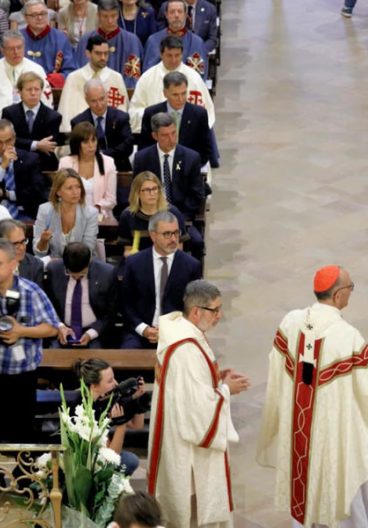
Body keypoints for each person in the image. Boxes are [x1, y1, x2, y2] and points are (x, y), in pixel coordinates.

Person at [257, 265, 368, 527]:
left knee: (304, 492)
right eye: (350, 288)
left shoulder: (290, 322)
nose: (351, 292)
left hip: (299, 435)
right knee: (341, 498)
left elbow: (278, 369)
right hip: (334, 440)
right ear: (337, 295)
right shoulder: (347, 337)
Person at [149, 280, 250, 527]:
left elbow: (187, 386)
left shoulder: (182, 333)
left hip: (177, 430)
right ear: (196, 311)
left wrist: (217, 378)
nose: (219, 315)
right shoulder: (185, 348)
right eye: (215, 310)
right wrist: (226, 390)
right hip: (187, 446)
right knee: (191, 509)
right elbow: (197, 409)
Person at [0, 237, 59, 443]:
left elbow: (51, 328)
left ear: (14, 263)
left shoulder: (32, 292)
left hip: (22, 378)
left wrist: (21, 331)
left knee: (21, 437)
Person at [120, 210, 201, 348]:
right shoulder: (134, 263)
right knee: (128, 352)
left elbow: (194, 307)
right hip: (140, 332)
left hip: (177, 332)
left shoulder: (191, 266)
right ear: (153, 235)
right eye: (167, 234)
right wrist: (143, 329)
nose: (173, 239)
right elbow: (125, 303)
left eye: (176, 233)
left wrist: (171, 331)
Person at [128, 35, 215, 134]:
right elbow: (134, 111)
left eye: (177, 55)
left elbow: (206, 112)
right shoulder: (147, 78)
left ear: (182, 54)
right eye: (169, 55)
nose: (173, 60)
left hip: (188, 135)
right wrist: (156, 117)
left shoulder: (194, 78)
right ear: (161, 54)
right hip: (156, 135)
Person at [76, 358, 145, 475]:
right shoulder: (84, 411)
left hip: (100, 458)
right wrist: (121, 424)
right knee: (129, 461)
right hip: (83, 466)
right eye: (110, 381)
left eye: (114, 378)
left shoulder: (102, 401)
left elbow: (136, 425)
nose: (116, 384)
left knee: (130, 459)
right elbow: (111, 457)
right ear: (94, 386)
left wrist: (137, 400)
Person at [132, 112, 205, 221]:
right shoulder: (142, 158)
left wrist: (178, 216)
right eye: (165, 135)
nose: (171, 139)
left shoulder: (191, 158)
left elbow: (197, 195)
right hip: (149, 215)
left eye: (173, 133)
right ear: (155, 136)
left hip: (182, 216)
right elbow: (136, 191)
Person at [47, 242, 117, 347]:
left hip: (94, 332)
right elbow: (48, 305)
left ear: (89, 261)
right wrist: (59, 326)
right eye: (70, 273)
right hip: (62, 329)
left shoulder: (107, 273)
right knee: (53, 353)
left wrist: (91, 333)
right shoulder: (54, 270)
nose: (76, 277)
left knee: (95, 354)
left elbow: (111, 312)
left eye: (81, 274)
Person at [0, 118, 44, 220]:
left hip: (25, 214)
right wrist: (2, 166)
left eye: (8, 141)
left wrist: (8, 194)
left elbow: (37, 191)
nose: (4, 147)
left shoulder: (30, 159)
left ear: (14, 138)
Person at [140, 70, 214, 167]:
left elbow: (205, 150)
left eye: (183, 93)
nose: (181, 99)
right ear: (165, 93)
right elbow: (144, 147)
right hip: (158, 167)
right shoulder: (151, 113)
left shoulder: (199, 114)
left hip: (188, 167)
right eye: (175, 95)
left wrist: (192, 168)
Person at [58, 35, 129, 134]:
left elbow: (123, 111)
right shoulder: (74, 78)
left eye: (106, 53)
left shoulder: (116, 78)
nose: (103, 57)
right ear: (88, 53)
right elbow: (66, 113)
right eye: (98, 53)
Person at [0, 30, 51, 119]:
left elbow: (46, 104)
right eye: (11, 48)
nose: (16, 52)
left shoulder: (37, 70)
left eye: (19, 47)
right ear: (2, 50)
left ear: (24, 47)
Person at [1, 71, 63, 172]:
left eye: (37, 89)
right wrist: (36, 145)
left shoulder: (53, 117)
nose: (33, 93)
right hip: (15, 162)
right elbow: (8, 140)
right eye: (29, 89)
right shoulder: (9, 113)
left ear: (41, 91)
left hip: (43, 165)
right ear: (20, 92)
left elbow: (48, 146)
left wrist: (24, 143)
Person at [74, 0, 143, 90]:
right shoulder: (85, 40)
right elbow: (80, 72)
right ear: (98, 15)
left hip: (120, 94)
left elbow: (133, 78)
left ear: (118, 15)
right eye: (105, 16)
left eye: (113, 16)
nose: (110, 21)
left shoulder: (132, 41)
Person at [70, 78, 134, 172]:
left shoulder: (121, 117)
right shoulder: (78, 122)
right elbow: (76, 150)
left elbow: (127, 146)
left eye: (102, 99)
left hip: (119, 167)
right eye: (94, 101)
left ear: (107, 95)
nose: (99, 105)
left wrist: (102, 155)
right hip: (88, 168)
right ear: (86, 100)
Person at [118, 171, 188, 256]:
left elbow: (179, 248)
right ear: (137, 193)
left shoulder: (172, 213)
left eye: (155, 189)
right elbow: (127, 250)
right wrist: (133, 256)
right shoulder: (128, 215)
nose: (152, 193)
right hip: (140, 260)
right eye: (147, 190)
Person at [33, 168, 99, 258]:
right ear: (58, 192)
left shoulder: (91, 213)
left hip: (81, 262)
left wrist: (60, 263)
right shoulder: (45, 210)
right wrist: (43, 241)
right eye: (69, 188)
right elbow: (38, 252)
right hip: (52, 261)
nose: (75, 192)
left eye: (78, 187)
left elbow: (88, 249)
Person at [58, 121, 118, 219]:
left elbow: (111, 200)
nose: (91, 145)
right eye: (85, 142)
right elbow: (61, 194)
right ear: (77, 143)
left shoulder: (108, 163)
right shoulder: (65, 163)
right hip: (71, 214)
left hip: (100, 215)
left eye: (93, 140)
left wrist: (94, 210)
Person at [143, 0, 209, 79]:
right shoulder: (153, 41)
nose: (176, 15)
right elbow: (147, 74)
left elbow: (200, 78)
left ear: (185, 15)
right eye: (172, 12)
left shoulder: (197, 42)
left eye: (180, 12)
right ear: (166, 15)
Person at [20, 0, 76, 86]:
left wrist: (52, 80)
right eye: (34, 15)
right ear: (25, 17)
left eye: (43, 13)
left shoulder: (61, 38)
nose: (40, 18)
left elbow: (70, 71)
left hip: (51, 88)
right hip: (20, 86)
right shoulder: (17, 38)